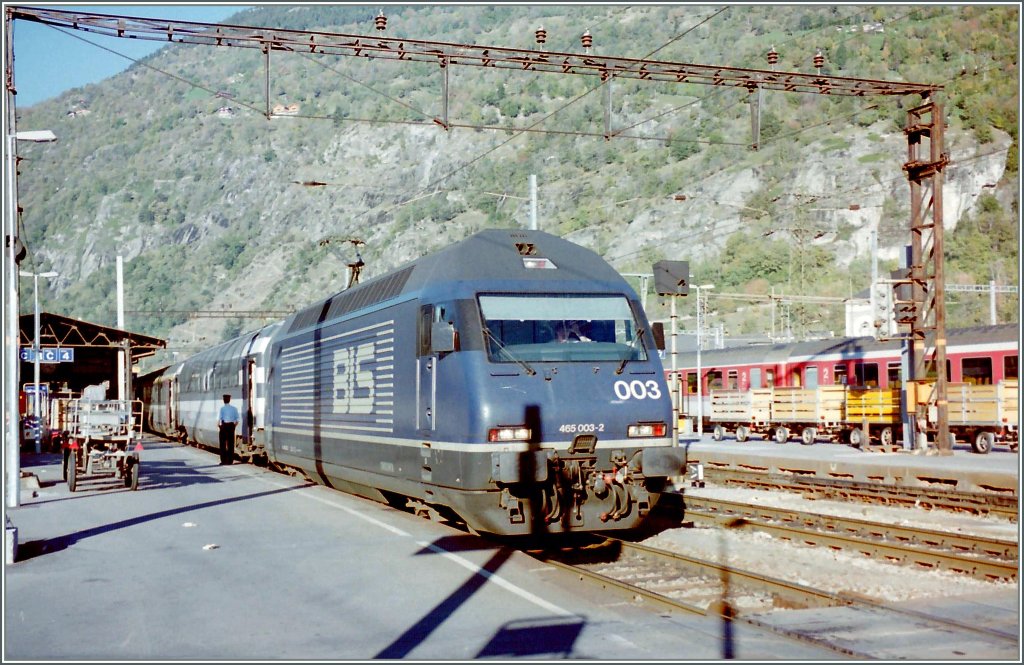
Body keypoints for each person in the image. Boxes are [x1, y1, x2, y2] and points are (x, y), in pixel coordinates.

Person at [218, 394, 240, 465]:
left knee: (222, 444)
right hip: (231, 426)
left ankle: (223, 461)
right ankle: (230, 461)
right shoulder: (234, 409)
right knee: (231, 444)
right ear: (229, 400)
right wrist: (234, 426)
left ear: (224, 400)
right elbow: (237, 420)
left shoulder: (222, 409)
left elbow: (219, 420)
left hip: (224, 426)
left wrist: (220, 427)